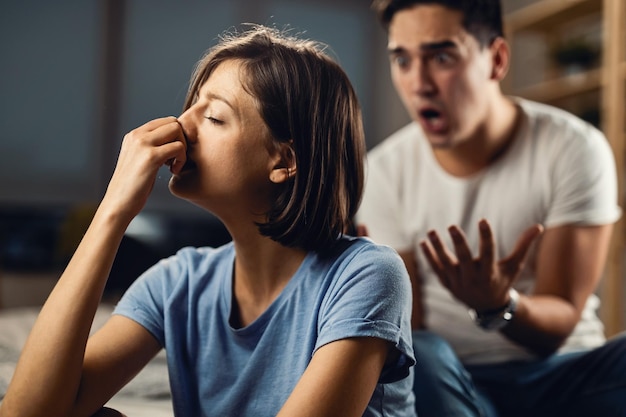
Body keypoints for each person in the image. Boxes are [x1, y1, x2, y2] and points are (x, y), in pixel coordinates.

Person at [0, 25, 416, 417]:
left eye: (214, 117)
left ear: (283, 161)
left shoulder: (366, 275)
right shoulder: (178, 283)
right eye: (191, 105)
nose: (182, 125)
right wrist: (113, 212)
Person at [357, 0, 626, 416]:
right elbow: (410, 333)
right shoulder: (382, 172)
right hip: (456, 379)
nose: (420, 83)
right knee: (417, 354)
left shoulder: (574, 147)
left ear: (496, 59)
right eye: (402, 60)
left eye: (441, 57)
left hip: (566, 372)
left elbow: (559, 322)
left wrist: (499, 304)